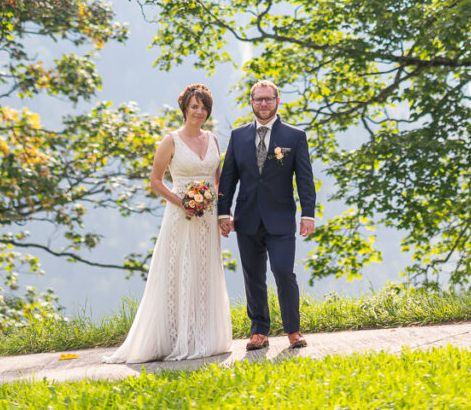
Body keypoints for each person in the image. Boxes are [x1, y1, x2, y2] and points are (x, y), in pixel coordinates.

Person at [103, 83, 232, 363]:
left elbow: (218, 178)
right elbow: (156, 181)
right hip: (180, 216)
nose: (199, 112)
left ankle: (204, 337)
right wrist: (182, 202)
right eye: (194, 106)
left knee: (204, 271)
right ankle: (174, 337)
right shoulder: (170, 140)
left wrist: (223, 213)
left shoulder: (213, 139)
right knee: (179, 270)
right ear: (184, 108)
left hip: (208, 217)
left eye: (204, 107)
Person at [218, 79, 315, 351]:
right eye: (258, 99)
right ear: (251, 102)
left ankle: (293, 330)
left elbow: (305, 179)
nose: (263, 104)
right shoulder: (238, 136)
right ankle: (259, 331)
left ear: (277, 101)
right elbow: (228, 179)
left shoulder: (294, 136)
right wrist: (222, 213)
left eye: (268, 99)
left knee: (284, 272)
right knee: (253, 276)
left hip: (281, 218)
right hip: (246, 218)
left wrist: (309, 214)